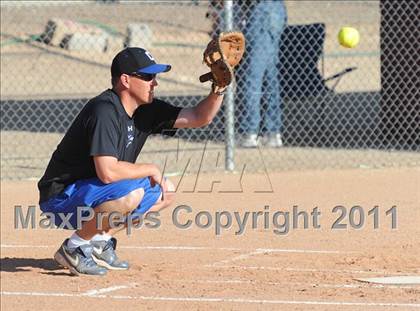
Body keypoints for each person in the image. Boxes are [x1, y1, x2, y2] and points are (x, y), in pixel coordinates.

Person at [37, 47, 225, 276]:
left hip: (92, 190)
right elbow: (107, 172)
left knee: (164, 191)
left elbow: (198, 117)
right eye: (147, 77)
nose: (154, 83)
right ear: (125, 80)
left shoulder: (146, 109)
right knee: (131, 193)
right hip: (61, 198)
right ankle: (73, 247)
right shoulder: (104, 110)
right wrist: (150, 168)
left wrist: (219, 89)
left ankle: (98, 240)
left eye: (154, 76)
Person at [236, 0, 287, 148]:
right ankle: (272, 132)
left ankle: (249, 132)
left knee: (251, 77)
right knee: (270, 77)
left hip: (261, 14)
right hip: (275, 11)